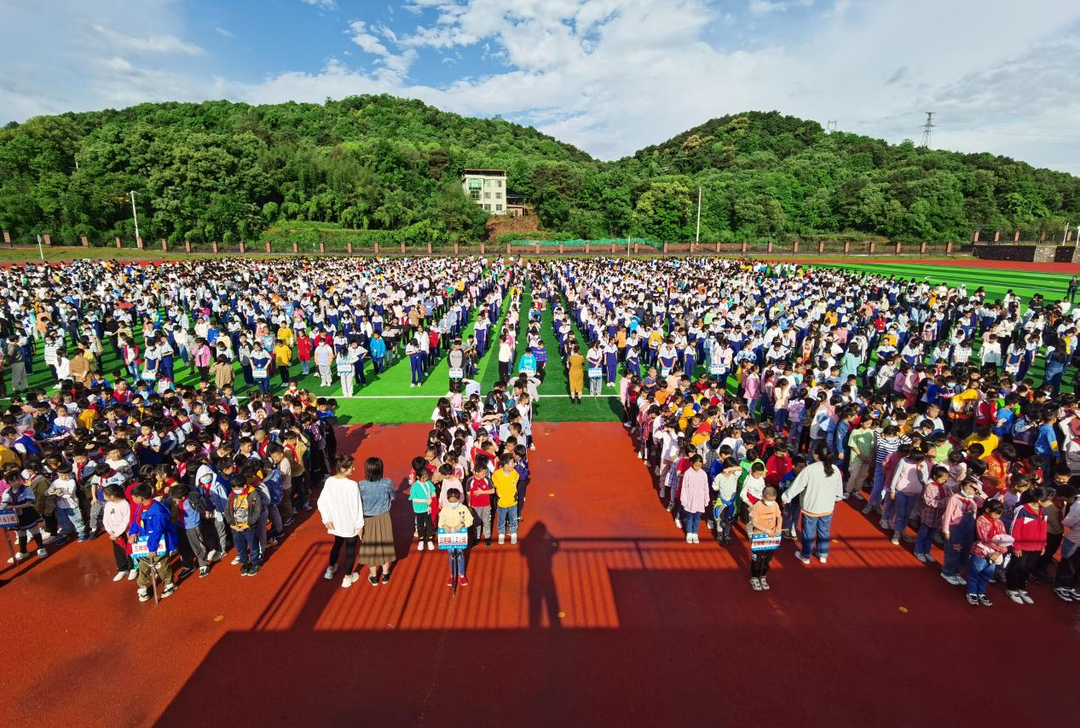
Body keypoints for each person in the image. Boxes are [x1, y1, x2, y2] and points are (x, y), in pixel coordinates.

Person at [781, 444, 843, 565]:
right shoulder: (835, 469)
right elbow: (838, 489)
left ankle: (805, 555)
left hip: (811, 507)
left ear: (816, 456)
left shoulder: (810, 469)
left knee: (808, 532)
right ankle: (822, 554)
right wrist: (837, 498)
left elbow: (797, 486)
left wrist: (785, 498)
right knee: (824, 531)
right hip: (827, 507)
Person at [317, 454, 365, 588]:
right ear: (344, 469)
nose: (354, 469)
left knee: (337, 544)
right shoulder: (352, 485)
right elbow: (357, 507)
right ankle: (347, 577)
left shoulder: (329, 481)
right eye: (351, 467)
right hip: (350, 524)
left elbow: (321, 501)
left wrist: (325, 518)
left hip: (336, 522)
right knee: (350, 549)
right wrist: (360, 525)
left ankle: (330, 569)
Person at [1005, 485, 1054, 605]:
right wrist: (1016, 546)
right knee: (1017, 567)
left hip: (1036, 547)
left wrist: (1043, 545)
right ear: (1039, 500)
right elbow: (1014, 529)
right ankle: (1011, 588)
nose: (1051, 503)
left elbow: (1043, 529)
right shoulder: (1022, 510)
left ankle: (1021, 588)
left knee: (1028, 568)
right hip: (1021, 547)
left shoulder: (1044, 511)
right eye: (1049, 500)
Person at [128, 483, 178, 601]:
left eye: (134, 497)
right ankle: (142, 586)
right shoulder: (141, 507)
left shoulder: (158, 512)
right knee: (143, 566)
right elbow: (136, 521)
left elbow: (157, 531)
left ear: (140, 498)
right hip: (145, 542)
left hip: (158, 544)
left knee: (161, 565)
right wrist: (133, 533)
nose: (133, 500)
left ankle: (169, 584)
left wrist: (152, 548)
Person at [357, 456, 396, 586]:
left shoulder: (361, 485)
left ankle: (374, 577)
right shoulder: (387, 482)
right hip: (384, 517)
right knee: (386, 545)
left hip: (367, 519)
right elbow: (393, 496)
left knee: (370, 548)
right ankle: (385, 574)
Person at [967, 499, 1008, 607]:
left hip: (994, 554)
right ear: (988, 510)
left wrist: (1000, 552)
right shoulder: (981, 520)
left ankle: (981, 592)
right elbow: (984, 538)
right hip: (981, 552)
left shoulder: (999, 522)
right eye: (996, 513)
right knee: (975, 572)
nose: (998, 516)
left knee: (987, 574)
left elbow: (1004, 538)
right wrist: (999, 549)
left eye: (1000, 514)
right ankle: (972, 592)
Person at [225, 474, 264, 577]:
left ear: (244, 486)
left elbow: (257, 511)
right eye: (233, 488)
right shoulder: (232, 495)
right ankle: (245, 563)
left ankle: (255, 563)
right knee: (240, 547)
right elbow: (227, 510)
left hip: (249, 527)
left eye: (237, 488)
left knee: (253, 546)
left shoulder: (254, 494)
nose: (235, 490)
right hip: (236, 528)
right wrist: (231, 524)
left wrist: (249, 524)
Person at [749, 484, 783, 591]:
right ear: (763, 497)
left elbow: (779, 517)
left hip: (772, 537)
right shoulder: (757, 506)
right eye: (769, 500)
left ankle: (763, 576)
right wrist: (766, 530)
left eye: (773, 500)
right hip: (760, 536)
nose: (770, 502)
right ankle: (754, 577)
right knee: (757, 559)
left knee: (768, 558)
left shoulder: (775, 505)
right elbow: (754, 523)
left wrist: (778, 526)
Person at [438, 487, 474, 587]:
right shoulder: (445, 509)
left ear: (459, 499)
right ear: (447, 499)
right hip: (448, 537)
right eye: (451, 501)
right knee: (451, 555)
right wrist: (444, 525)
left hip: (459, 536)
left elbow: (470, 520)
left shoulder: (463, 508)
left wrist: (462, 524)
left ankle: (461, 575)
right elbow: (440, 522)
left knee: (460, 554)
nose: (453, 503)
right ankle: (453, 574)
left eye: (455, 501)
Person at [679, 454, 709, 544]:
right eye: (696, 465)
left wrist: (706, 499)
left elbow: (705, 487)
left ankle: (695, 533)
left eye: (700, 465)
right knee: (689, 518)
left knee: (697, 518)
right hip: (689, 499)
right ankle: (689, 533)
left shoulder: (703, 474)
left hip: (699, 499)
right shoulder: (688, 473)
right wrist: (683, 500)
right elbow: (684, 487)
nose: (698, 467)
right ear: (691, 463)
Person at [492, 453, 520, 545]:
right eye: (512, 463)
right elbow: (495, 484)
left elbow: (515, 482)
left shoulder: (515, 473)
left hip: (513, 503)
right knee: (501, 520)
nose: (514, 464)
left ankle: (513, 533)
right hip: (501, 504)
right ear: (506, 465)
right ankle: (501, 534)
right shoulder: (497, 474)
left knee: (513, 519)